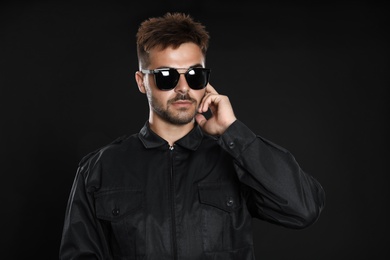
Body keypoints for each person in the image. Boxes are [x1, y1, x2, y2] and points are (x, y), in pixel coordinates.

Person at [59, 12, 325, 260]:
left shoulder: (235, 158)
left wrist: (233, 131)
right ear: (142, 82)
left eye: (195, 75)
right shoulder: (99, 170)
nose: (183, 88)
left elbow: (303, 209)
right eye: (167, 76)